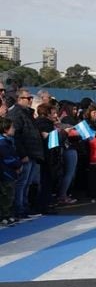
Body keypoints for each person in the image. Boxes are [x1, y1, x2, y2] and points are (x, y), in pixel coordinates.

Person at [6, 88, 44, 219]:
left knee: (27, 183)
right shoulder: (16, 114)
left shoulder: (27, 113)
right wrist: (23, 155)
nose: (30, 101)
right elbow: (16, 137)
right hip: (26, 154)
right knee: (22, 183)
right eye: (28, 98)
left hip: (32, 153)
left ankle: (24, 207)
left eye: (30, 98)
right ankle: (19, 208)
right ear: (19, 99)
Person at [0, 117, 22, 225]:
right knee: (6, 195)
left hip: (9, 172)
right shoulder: (3, 143)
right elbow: (8, 158)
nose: (14, 129)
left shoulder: (7, 142)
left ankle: (8, 215)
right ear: (5, 129)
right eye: (12, 127)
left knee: (9, 195)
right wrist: (18, 164)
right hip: (6, 173)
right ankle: (4, 215)